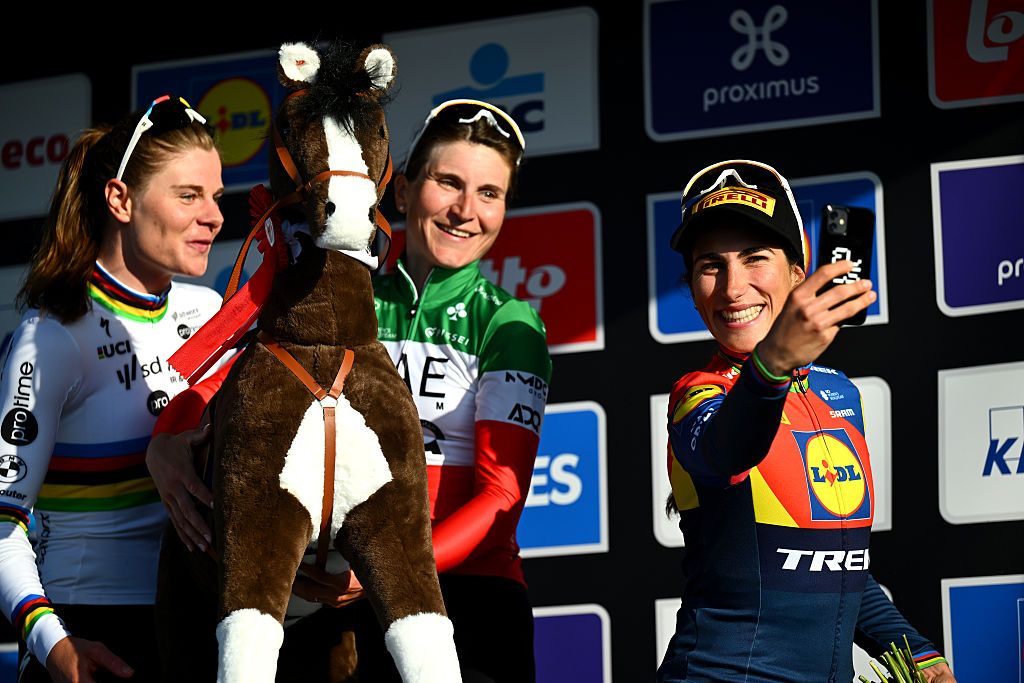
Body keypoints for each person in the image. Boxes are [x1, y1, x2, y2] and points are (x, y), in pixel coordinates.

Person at [147, 99, 551, 682]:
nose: (467, 210)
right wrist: (165, 440)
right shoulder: (339, 299)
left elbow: (499, 499)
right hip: (335, 603)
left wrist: (389, 569)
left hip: (466, 595)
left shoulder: (509, 324)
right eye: (448, 183)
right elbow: (223, 372)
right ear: (404, 190)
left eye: (490, 193)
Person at [658, 160, 956, 683]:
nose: (733, 288)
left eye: (755, 258)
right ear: (691, 286)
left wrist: (922, 658)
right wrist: (772, 362)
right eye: (711, 266)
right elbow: (727, 449)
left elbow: (838, 569)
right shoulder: (697, 394)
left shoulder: (837, 391)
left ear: (798, 274)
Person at [0, 95, 224, 683]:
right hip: (93, 633)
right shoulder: (52, 334)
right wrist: (54, 645)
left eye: (216, 198)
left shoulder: (211, 314)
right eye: (188, 195)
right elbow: (1, 523)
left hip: (199, 624)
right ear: (120, 199)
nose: (214, 217)